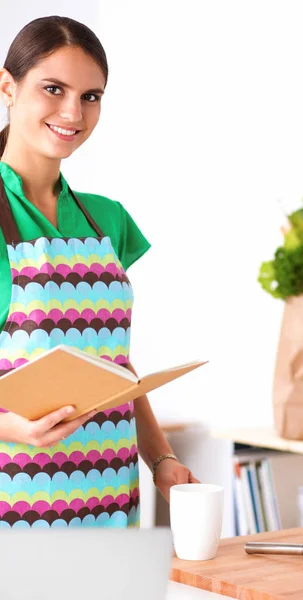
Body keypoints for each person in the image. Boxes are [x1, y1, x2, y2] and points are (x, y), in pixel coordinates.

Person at [0, 15, 198, 529]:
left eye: (91, 96)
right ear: (8, 87)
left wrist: (162, 460)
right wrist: (9, 429)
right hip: (16, 509)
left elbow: (115, 366)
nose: (73, 112)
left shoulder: (107, 218)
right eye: (53, 88)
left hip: (111, 498)